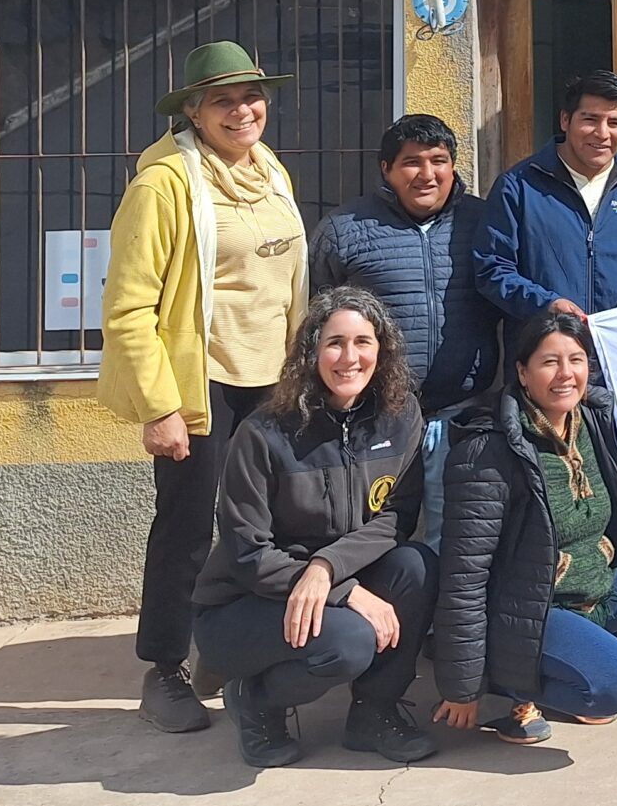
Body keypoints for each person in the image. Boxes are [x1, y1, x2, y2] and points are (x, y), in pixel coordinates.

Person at [96, 42, 311, 735]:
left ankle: (230, 648)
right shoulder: (163, 185)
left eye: (252, 96)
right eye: (223, 100)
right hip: (200, 380)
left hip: (272, 378)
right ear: (193, 111)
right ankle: (164, 667)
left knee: (267, 524)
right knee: (188, 526)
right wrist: (160, 406)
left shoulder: (268, 169)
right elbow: (128, 307)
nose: (242, 111)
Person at [432, 308, 617, 742]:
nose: (565, 374)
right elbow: (465, 575)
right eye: (549, 362)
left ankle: (580, 661)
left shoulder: (591, 420)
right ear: (522, 372)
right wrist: (463, 686)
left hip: (597, 586)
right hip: (528, 612)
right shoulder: (487, 451)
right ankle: (505, 692)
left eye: (576, 360)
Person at [189, 287, 437, 768]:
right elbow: (246, 551)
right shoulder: (263, 433)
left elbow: (396, 517)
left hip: (327, 581)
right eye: (334, 343)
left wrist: (327, 570)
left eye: (363, 342)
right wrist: (343, 590)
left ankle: (374, 713)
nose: (350, 357)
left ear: (382, 350)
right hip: (243, 604)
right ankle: (255, 700)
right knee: (349, 642)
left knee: (416, 566)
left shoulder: (400, 415)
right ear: (311, 352)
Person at [311, 113, 497, 547]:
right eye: (412, 162)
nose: (427, 174)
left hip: (461, 415)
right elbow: (316, 324)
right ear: (386, 169)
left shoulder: (484, 222)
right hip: (376, 418)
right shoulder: (344, 229)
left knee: (454, 543)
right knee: (372, 538)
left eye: (439, 160)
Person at [475, 70, 617, 341]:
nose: (602, 133)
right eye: (590, 120)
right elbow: (493, 269)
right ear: (565, 120)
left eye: (615, 122)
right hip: (544, 351)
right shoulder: (519, 185)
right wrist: (546, 305)